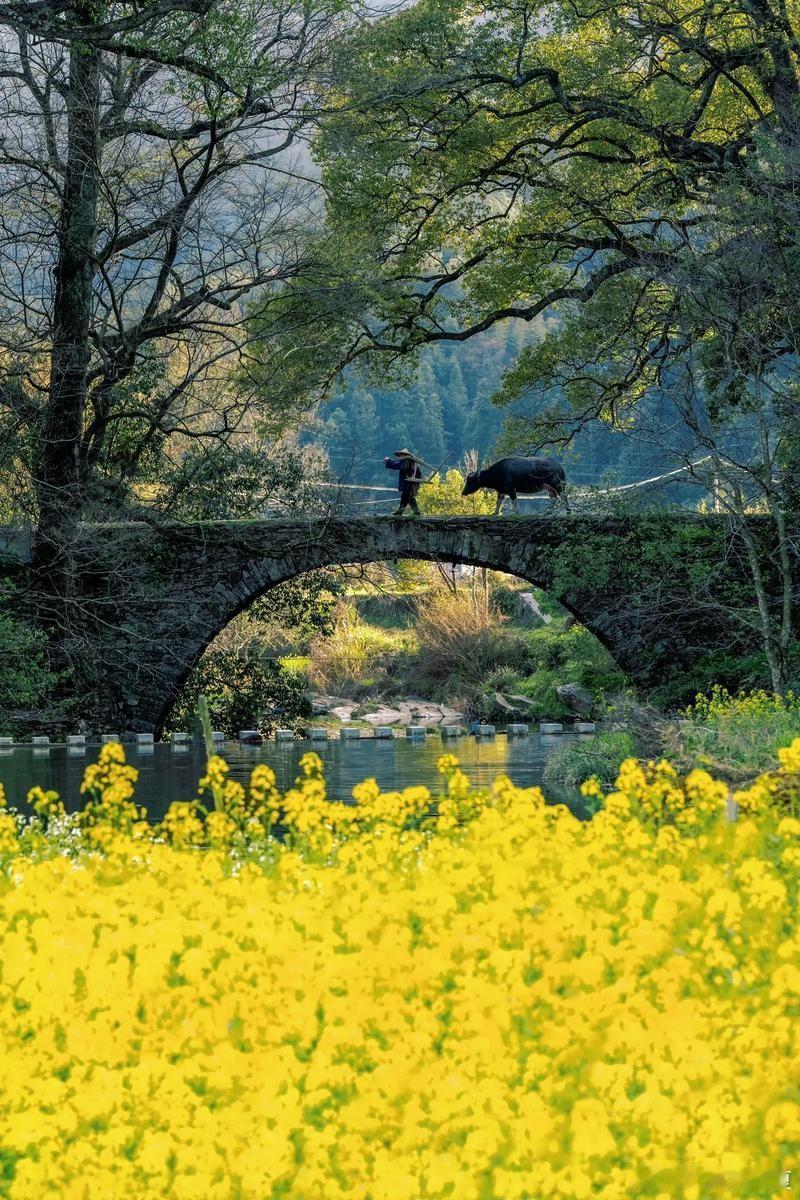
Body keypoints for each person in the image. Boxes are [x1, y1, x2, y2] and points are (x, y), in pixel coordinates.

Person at [384, 448, 423, 516]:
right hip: (410, 481)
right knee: (408, 497)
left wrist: (388, 461)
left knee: (406, 497)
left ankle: (403, 512)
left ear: (404, 455)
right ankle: (410, 512)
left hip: (410, 481)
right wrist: (389, 462)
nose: (400, 457)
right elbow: (398, 464)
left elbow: (397, 465)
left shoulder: (407, 461)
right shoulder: (408, 461)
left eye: (401, 455)